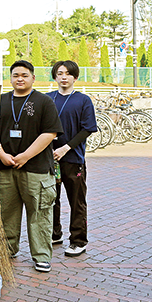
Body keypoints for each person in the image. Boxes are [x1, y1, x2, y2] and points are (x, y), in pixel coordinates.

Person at [0, 60, 63, 273]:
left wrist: (25, 156)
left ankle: (41, 255)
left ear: (33, 78)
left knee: (39, 213)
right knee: (7, 212)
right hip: (5, 167)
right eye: (15, 75)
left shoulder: (44, 102)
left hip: (36, 168)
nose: (19, 79)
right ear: (10, 78)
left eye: (24, 75)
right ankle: (8, 248)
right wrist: (1, 153)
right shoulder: (0, 101)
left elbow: (50, 133)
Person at [48, 60, 97, 257]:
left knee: (76, 201)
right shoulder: (47, 98)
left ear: (75, 77)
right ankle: (54, 233)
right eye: (60, 73)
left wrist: (66, 148)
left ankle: (78, 240)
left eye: (68, 73)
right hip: (49, 159)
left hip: (73, 159)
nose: (64, 77)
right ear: (55, 76)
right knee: (51, 199)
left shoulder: (83, 100)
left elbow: (87, 129)